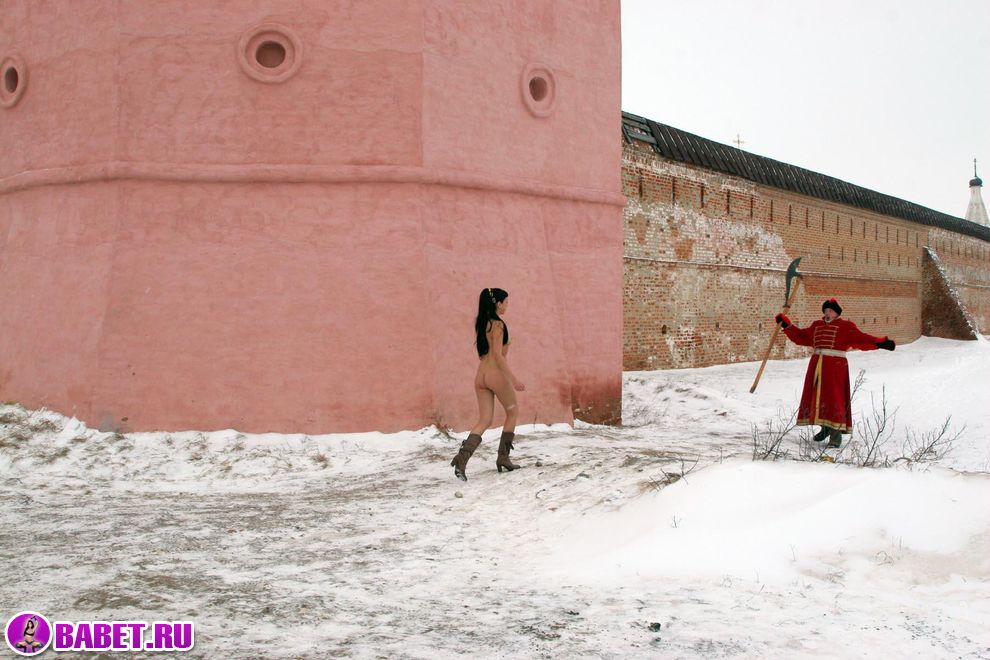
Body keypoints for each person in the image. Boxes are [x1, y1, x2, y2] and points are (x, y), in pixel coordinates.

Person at [776, 298, 896, 447]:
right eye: (826, 311)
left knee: (834, 398)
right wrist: (787, 325)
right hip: (816, 366)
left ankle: (835, 435)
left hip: (835, 367)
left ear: (837, 313)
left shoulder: (846, 326)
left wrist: (881, 342)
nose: (827, 313)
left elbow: (861, 338)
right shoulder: (816, 325)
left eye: (830, 311)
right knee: (817, 397)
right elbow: (801, 337)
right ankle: (825, 428)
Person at [450, 287, 526, 481]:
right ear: (498, 304)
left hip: (481, 375)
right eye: (506, 302)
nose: (507, 306)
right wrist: (514, 379)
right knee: (513, 411)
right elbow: (498, 356)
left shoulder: (483, 323)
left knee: (484, 420)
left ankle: (461, 459)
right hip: (495, 375)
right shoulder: (498, 325)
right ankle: (503, 457)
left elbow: (485, 354)